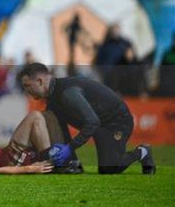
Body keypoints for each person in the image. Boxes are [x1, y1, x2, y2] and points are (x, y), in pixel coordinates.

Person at [18, 62, 156, 174]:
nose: (26, 91)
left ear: (40, 81)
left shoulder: (68, 93)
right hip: (99, 124)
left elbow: (92, 122)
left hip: (116, 123)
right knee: (51, 117)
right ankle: (73, 164)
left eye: (27, 86)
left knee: (109, 169)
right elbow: (58, 129)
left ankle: (143, 152)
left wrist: (69, 148)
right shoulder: (53, 98)